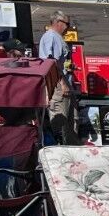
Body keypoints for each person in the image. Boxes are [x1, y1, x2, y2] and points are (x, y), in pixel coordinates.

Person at [38, 12, 76, 144]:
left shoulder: (58, 38)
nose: (68, 28)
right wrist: (62, 83)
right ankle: (60, 149)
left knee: (70, 122)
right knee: (60, 122)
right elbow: (51, 63)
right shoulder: (51, 37)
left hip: (64, 83)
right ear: (58, 22)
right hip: (58, 86)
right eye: (67, 24)